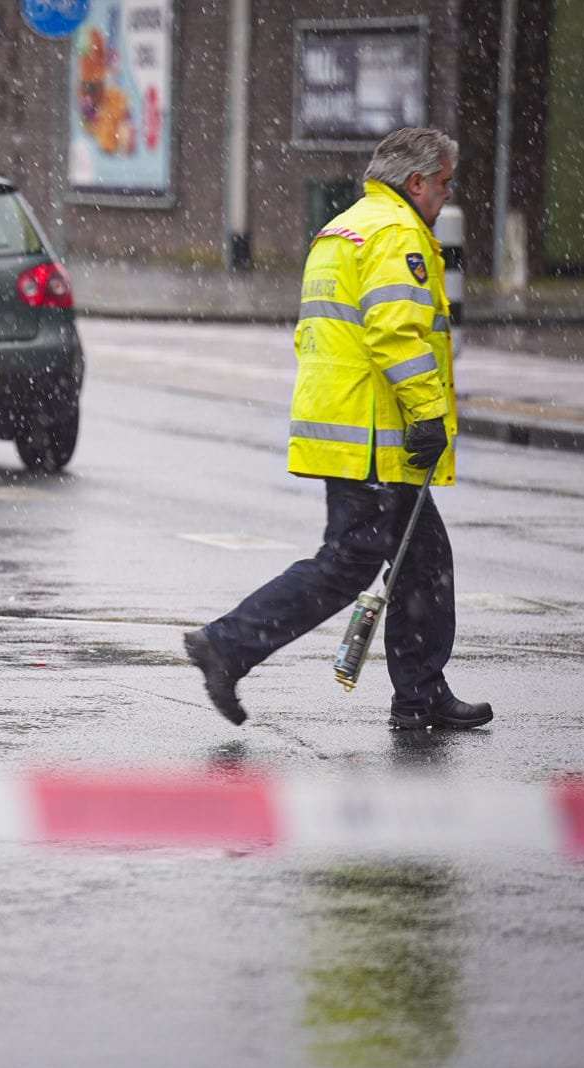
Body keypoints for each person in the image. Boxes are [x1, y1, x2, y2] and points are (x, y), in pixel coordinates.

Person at [183, 127, 492, 732]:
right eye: (444, 184)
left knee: (423, 560)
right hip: (376, 431)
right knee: (351, 562)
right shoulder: (397, 231)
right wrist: (427, 412)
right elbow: (395, 331)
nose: (446, 198)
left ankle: (421, 694)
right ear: (417, 182)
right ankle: (228, 643)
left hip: (344, 422)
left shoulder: (344, 226)